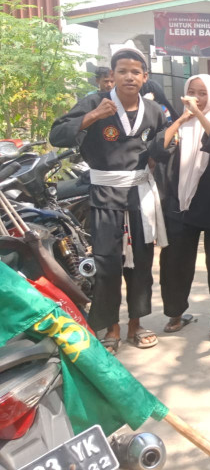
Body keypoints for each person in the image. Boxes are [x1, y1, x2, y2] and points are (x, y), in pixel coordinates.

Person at [49, 47, 168, 353]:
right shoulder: (94, 102)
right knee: (107, 263)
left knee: (141, 262)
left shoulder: (153, 111)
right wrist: (92, 117)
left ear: (145, 76)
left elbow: (161, 147)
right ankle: (111, 327)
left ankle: (136, 324)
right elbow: (57, 135)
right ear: (112, 75)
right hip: (104, 194)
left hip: (139, 194)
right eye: (122, 71)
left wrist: (165, 148)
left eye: (135, 71)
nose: (129, 77)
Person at [154, 74, 210, 344]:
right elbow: (157, 150)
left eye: (203, 93)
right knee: (174, 262)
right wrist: (181, 120)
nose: (197, 98)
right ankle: (176, 313)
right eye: (192, 92)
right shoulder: (178, 125)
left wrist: (200, 116)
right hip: (180, 205)